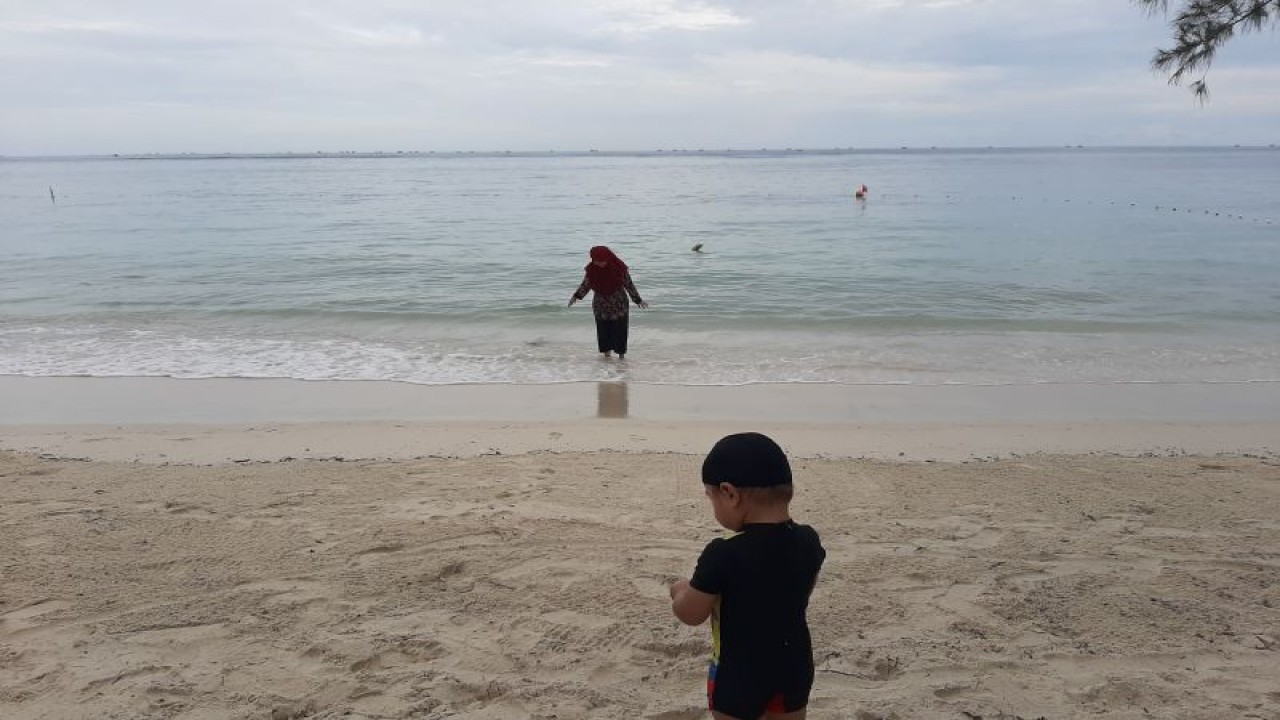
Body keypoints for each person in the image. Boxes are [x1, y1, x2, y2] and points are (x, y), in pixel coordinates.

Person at [669, 433, 826, 720]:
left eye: (712, 498)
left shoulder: (723, 552)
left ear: (730, 493)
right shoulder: (808, 540)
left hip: (739, 675)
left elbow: (691, 613)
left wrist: (679, 589)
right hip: (795, 666)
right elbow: (802, 589)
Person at [567, 245, 648, 359]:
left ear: (608, 257)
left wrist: (637, 300)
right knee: (603, 331)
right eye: (597, 261)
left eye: (602, 260)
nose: (600, 263)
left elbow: (629, 285)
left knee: (620, 330)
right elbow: (586, 285)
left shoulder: (619, 268)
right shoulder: (592, 269)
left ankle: (621, 358)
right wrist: (576, 296)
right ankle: (607, 358)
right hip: (600, 305)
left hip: (619, 304)